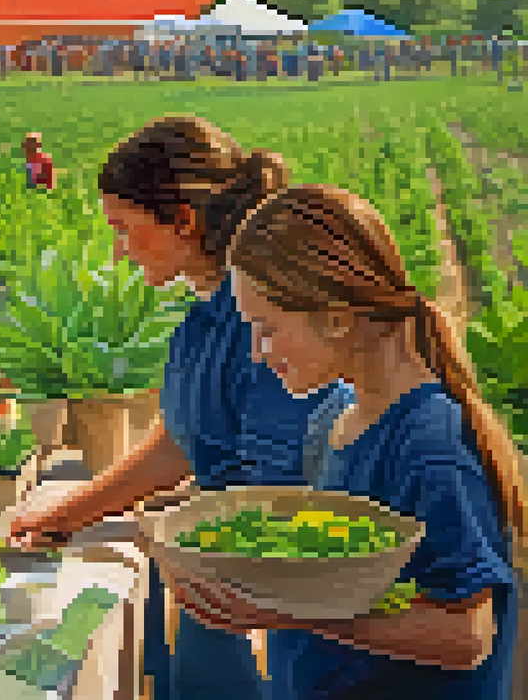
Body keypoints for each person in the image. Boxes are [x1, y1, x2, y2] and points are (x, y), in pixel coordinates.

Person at [6, 116, 350, 700]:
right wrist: (66, 514)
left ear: (183, 221)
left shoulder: (267, 331)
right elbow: (181, 445)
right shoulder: (202, 318)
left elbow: (284, 497)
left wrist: (164, 532)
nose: (118, 250)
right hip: (209, 586)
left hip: (257, 610)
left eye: (124, 228)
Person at [173, 184, 525, 699]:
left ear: (337, 316)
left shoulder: (429, 444)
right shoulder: (334, 418)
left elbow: (467, 635)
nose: (256, 353)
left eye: (266, 329)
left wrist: (285, 611)